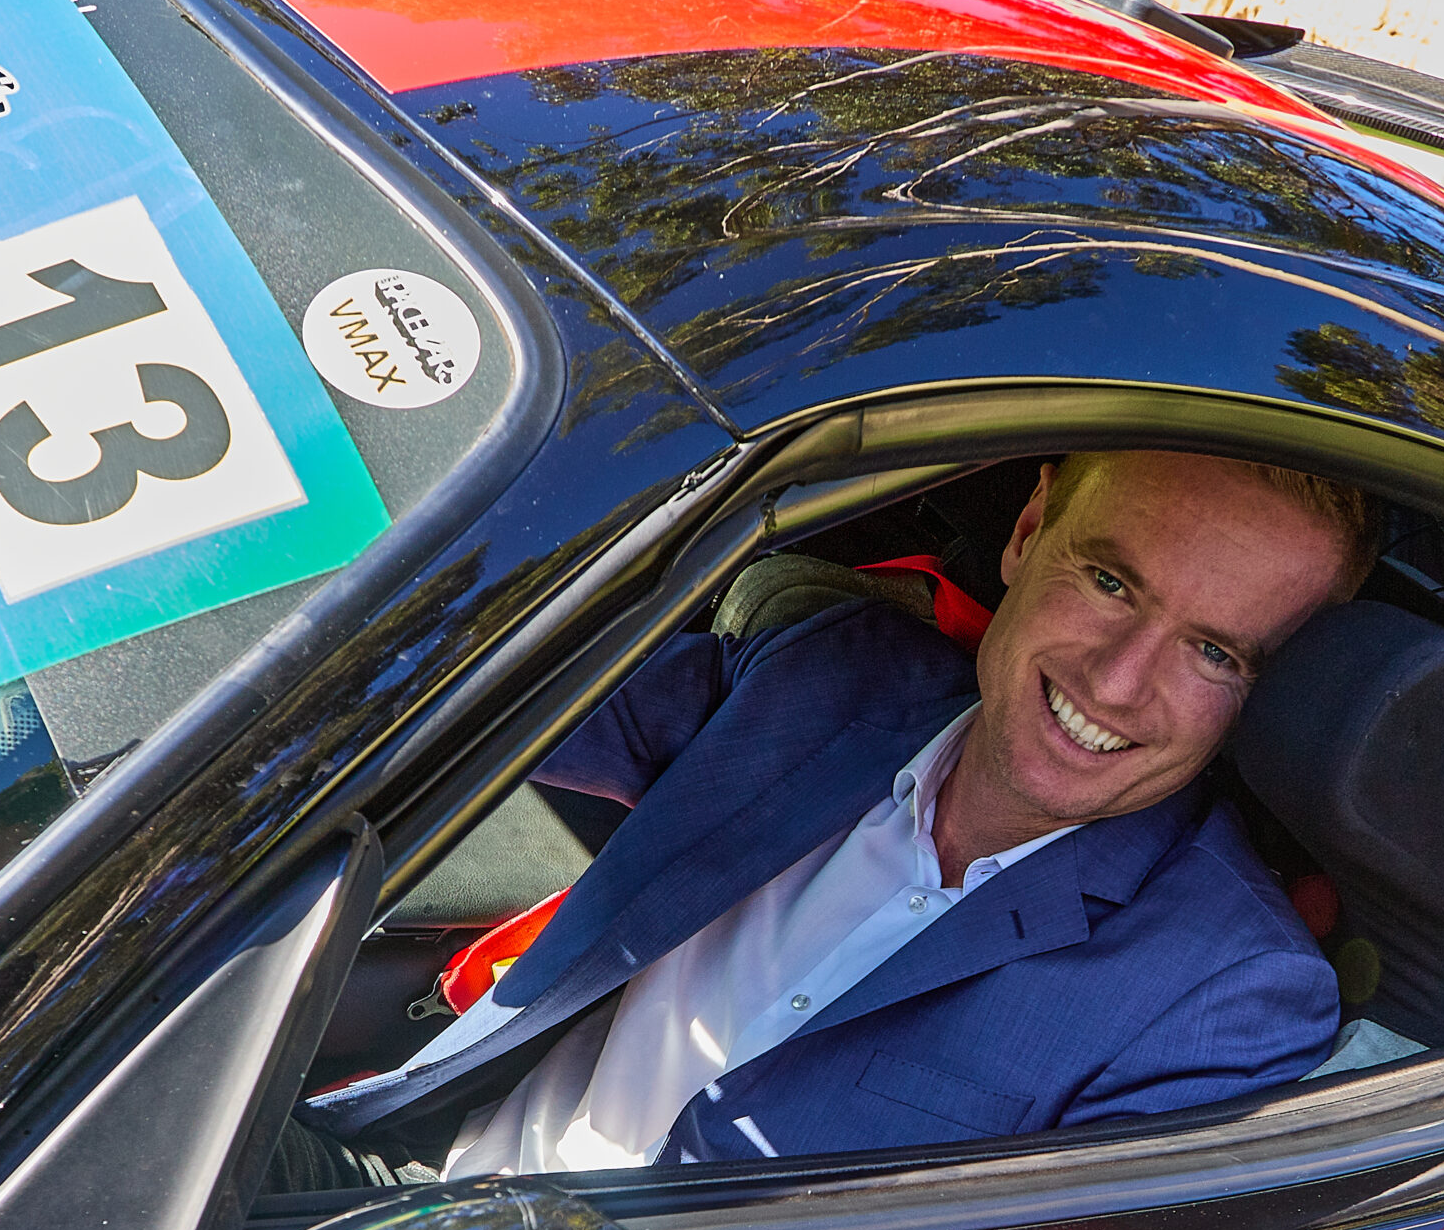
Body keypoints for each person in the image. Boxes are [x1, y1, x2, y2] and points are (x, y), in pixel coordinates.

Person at [303, 450, 1380, 1182]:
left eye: (1212, 651)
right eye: (1109, 581)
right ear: (1027, 529)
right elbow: (479, 684)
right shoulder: (832, 672)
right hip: (413, 1194)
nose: (1116, 680)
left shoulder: (1226, 997)